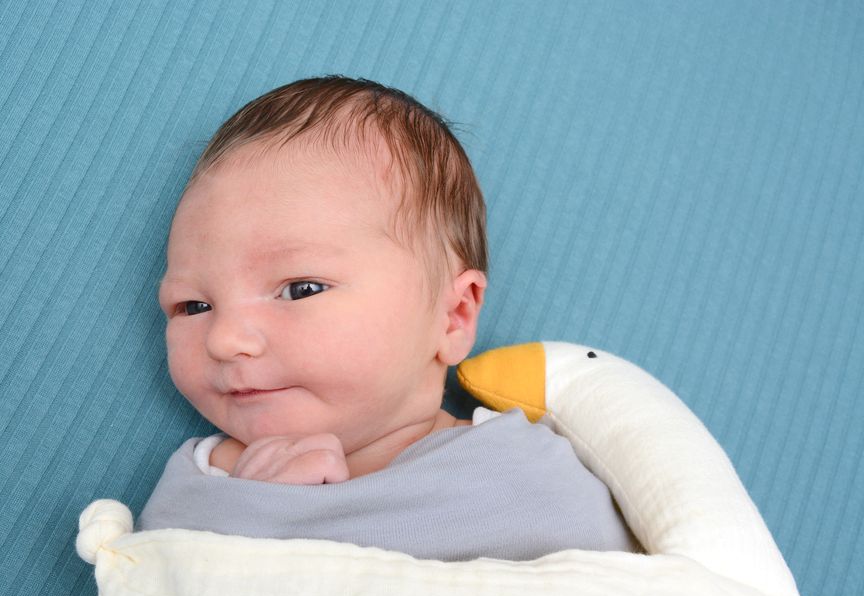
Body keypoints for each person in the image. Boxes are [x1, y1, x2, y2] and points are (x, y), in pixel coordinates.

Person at [138, 76, 638, 561]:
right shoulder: (208, 483)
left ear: (453, 316)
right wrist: (260, 508)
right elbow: (155, 594)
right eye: (194, 306)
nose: (225, 340)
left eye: (301, 289)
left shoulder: (521, 471)